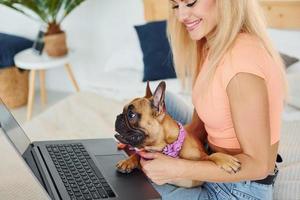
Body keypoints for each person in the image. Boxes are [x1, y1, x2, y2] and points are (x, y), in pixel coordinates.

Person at [139, 0, 287, 199]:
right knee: (165, 104)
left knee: (131, 187)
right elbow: (200, 128)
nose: (182, 16)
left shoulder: (240, 64)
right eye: (175, 6)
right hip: (211, 154)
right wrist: (151, 143)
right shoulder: (210, 44)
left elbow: (260, 166)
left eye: (190, 2)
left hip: (239, 188)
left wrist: (176, 169)